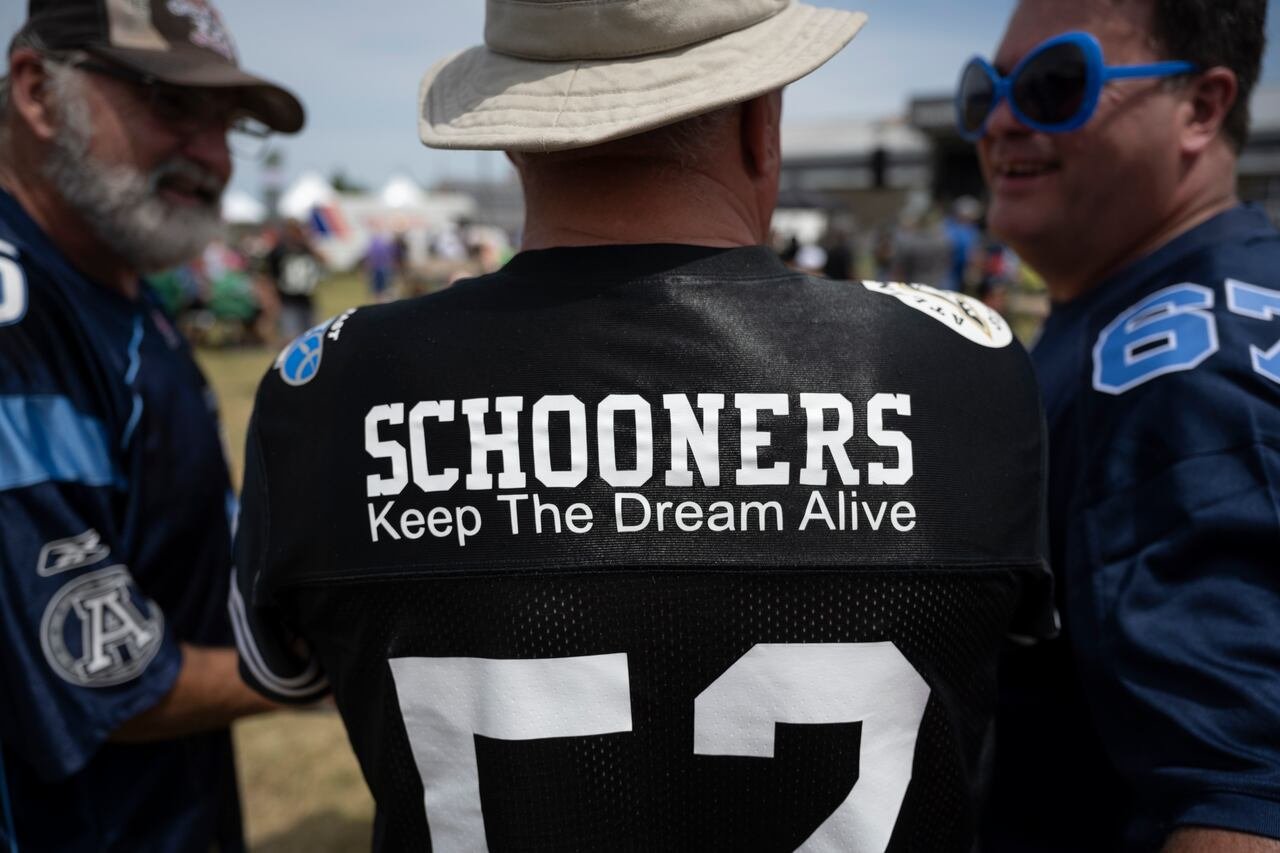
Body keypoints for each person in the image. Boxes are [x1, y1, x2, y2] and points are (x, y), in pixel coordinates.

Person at [233, 2, 1052, 849]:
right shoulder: (960, 370)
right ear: (760, 122)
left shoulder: (329, 389)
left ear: (514, 132)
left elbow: (289, 672)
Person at [957, 1, 1280, 850]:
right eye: (982, 89)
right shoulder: (1192, 305)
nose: (997, 121)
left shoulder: (1172, 369)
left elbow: (1242, 799)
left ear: (1202, 108)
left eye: (1053, 85)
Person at [0, 0, 304, 849]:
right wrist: (331, 662)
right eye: (169, 104)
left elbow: (199, 542)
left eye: (227, 124)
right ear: (36, 89)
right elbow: (103, 675)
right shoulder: (17, 318)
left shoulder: (124, 293)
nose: (212, 156)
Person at [264, 218, 323, 340]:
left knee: (312, 334)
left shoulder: (305, 248)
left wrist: (309, 244)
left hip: (306, 298)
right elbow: (270, 276)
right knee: (290, 335)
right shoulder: (279, 251)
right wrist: (271, 298)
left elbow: (323, 260)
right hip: (287, 299)